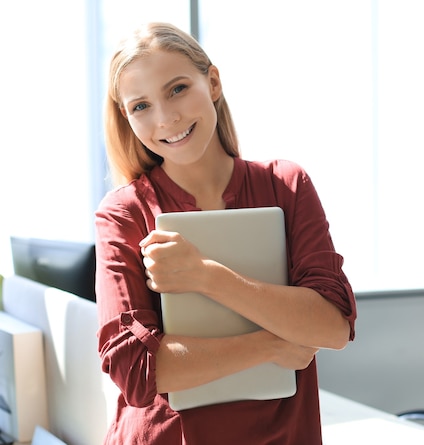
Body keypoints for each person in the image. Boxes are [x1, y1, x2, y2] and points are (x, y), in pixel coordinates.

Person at [94, 22, 357, 445]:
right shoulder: (124, 212)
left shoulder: (286, 186)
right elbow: (136, 370)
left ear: (212, 82)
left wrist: (205, 276)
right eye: (141, 106)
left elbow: (333, 326)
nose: (167, 117)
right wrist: (269, 346)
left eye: (177, 88)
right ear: (127, 117)